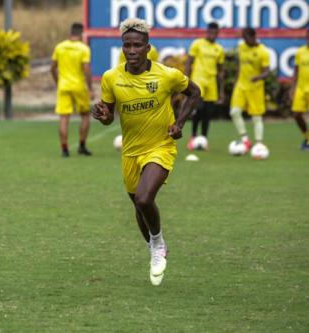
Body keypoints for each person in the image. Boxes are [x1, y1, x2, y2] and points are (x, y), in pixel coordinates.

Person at [91, 18, 201, 286]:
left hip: (160, 146)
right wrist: (103, 115)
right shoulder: (111, 78)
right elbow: (108, 117)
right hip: (130, 152)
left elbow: (195, 92)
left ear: (147, 47)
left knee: (143, 198)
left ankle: (157, 244)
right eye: (127, 45)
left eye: (137, 45)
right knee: (139, 208)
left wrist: (180, 123)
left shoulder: (167, 75)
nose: (131, 50)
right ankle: (155, 245)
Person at [50, 22, 94, 157]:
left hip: (63, 86)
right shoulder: (83, 49)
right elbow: (86, 69)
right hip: (79, 86)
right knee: (85, 115)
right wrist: (90, 88)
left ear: (70, 32)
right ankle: (82, 145)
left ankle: (64, 149)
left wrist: (58, 82)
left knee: (64, 118)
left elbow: (52, 68)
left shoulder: (59, 47)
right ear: (81, 34)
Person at [184, 22, 225, 150]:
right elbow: (189, 62)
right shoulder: (197, 44)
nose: (213, 35)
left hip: (211, 82)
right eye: (211, 32)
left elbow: (221, 71)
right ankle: (193, 137)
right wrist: (185, 81)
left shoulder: (219, 49)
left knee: (207, 112)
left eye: (216, 33)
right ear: (207, 32)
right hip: (198, 80)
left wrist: (221, 90)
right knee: (199, 108)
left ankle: (204, 139)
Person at [229, 27, 270, 151]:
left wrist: (258, 77)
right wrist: (235, 82)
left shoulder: (263, 51)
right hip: (241, 86)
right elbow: (239, 66)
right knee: (234, 112)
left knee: (256, 117)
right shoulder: (242, 47)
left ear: (253, 37)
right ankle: (245, 140)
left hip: (255, 88)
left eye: (245, 37)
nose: (243, 39)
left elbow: (267, 72)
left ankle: (258, 143)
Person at [289, 29, 309, 151]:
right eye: (307, 36)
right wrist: (292, 88)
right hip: (301, 89)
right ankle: (307, 137)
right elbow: (296, 71)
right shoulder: (300, 52)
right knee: (296, 114)